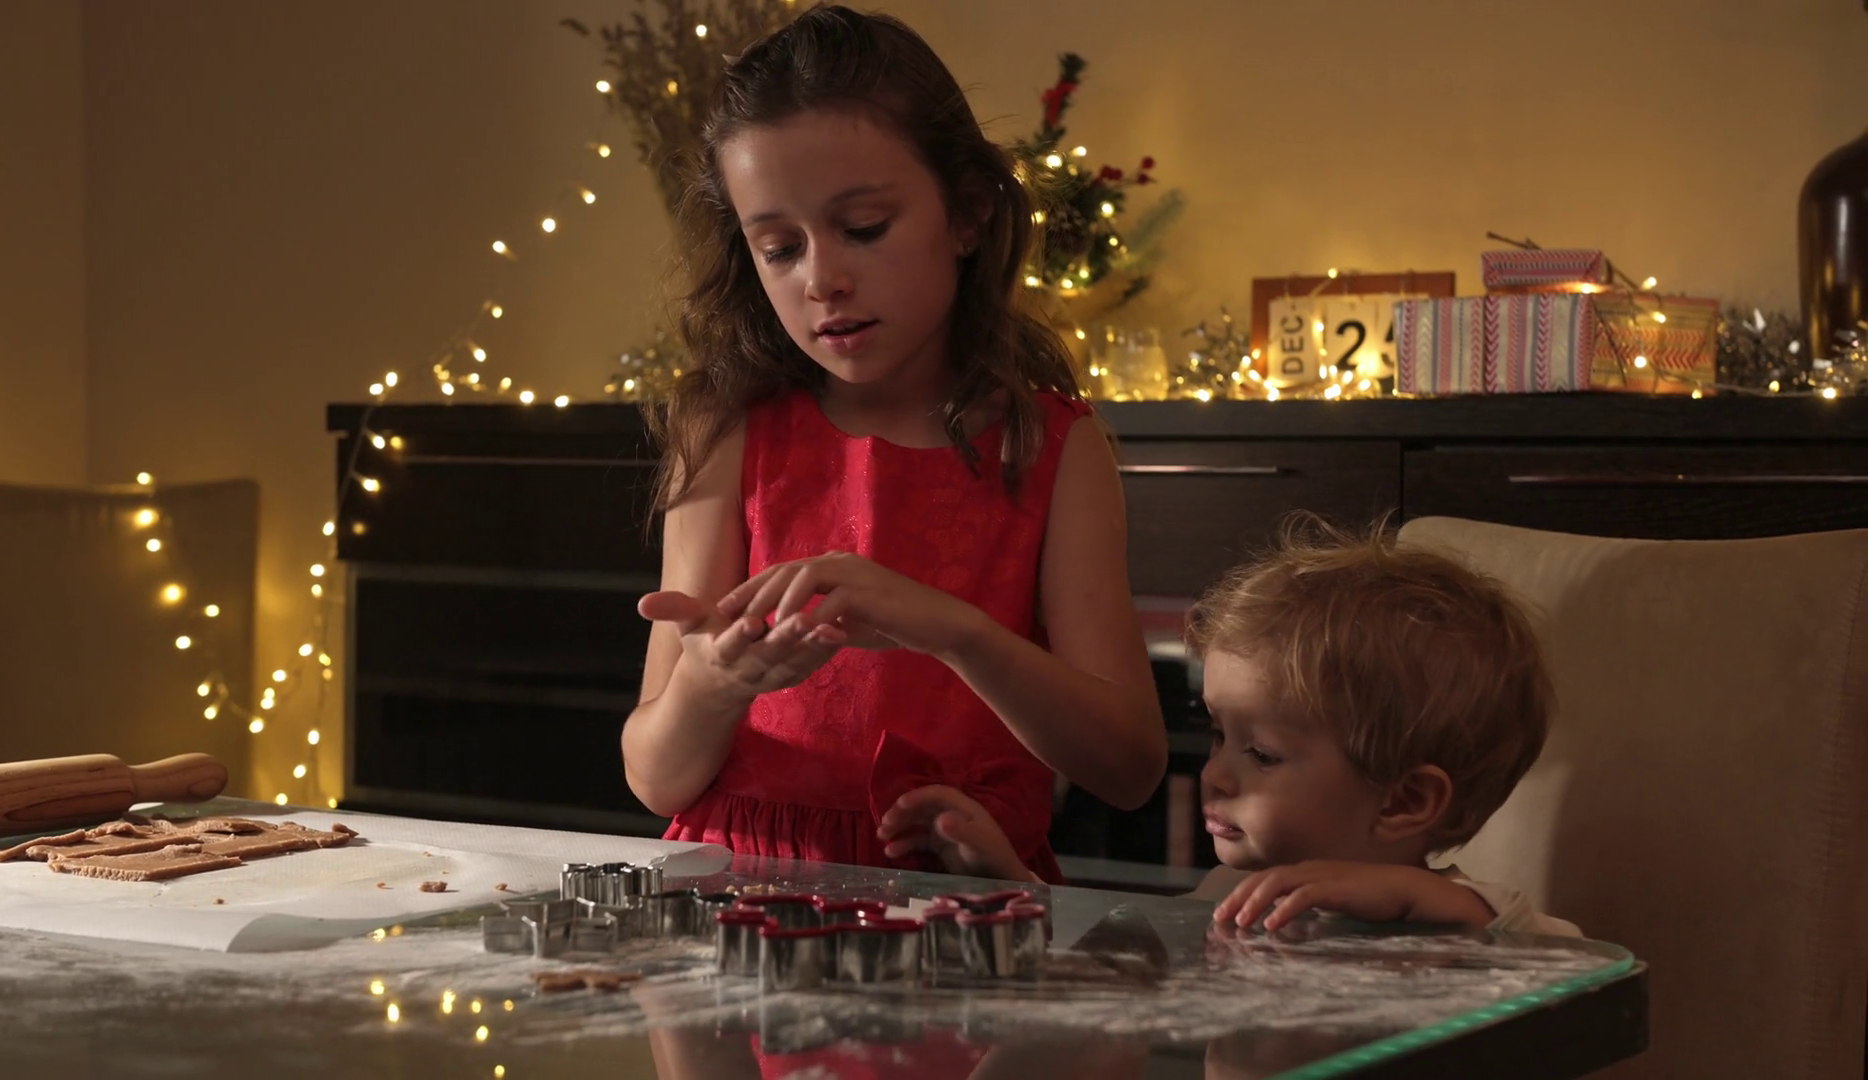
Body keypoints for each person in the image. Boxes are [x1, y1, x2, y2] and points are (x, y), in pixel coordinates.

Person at [621, 3, 1165, 885]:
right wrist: (713, 683)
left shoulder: (1051, 447)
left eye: (865, 228)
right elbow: (655, 778)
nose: (823, 279)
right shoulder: (728, 430)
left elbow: (1130, 768)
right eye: (779, 248)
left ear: (968, 213)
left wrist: (952, 631)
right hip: (744, 905)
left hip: (961, 909)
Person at [884, 516, 1581, 937]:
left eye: (1263, 755)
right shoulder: (1226, 892)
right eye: (1220, 735)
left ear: (1405, 801)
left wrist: (1416, 897)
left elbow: (1571, 964)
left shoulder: (1463, 918)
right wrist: (1008, 880)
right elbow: (1115, 965)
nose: (1216, 774)